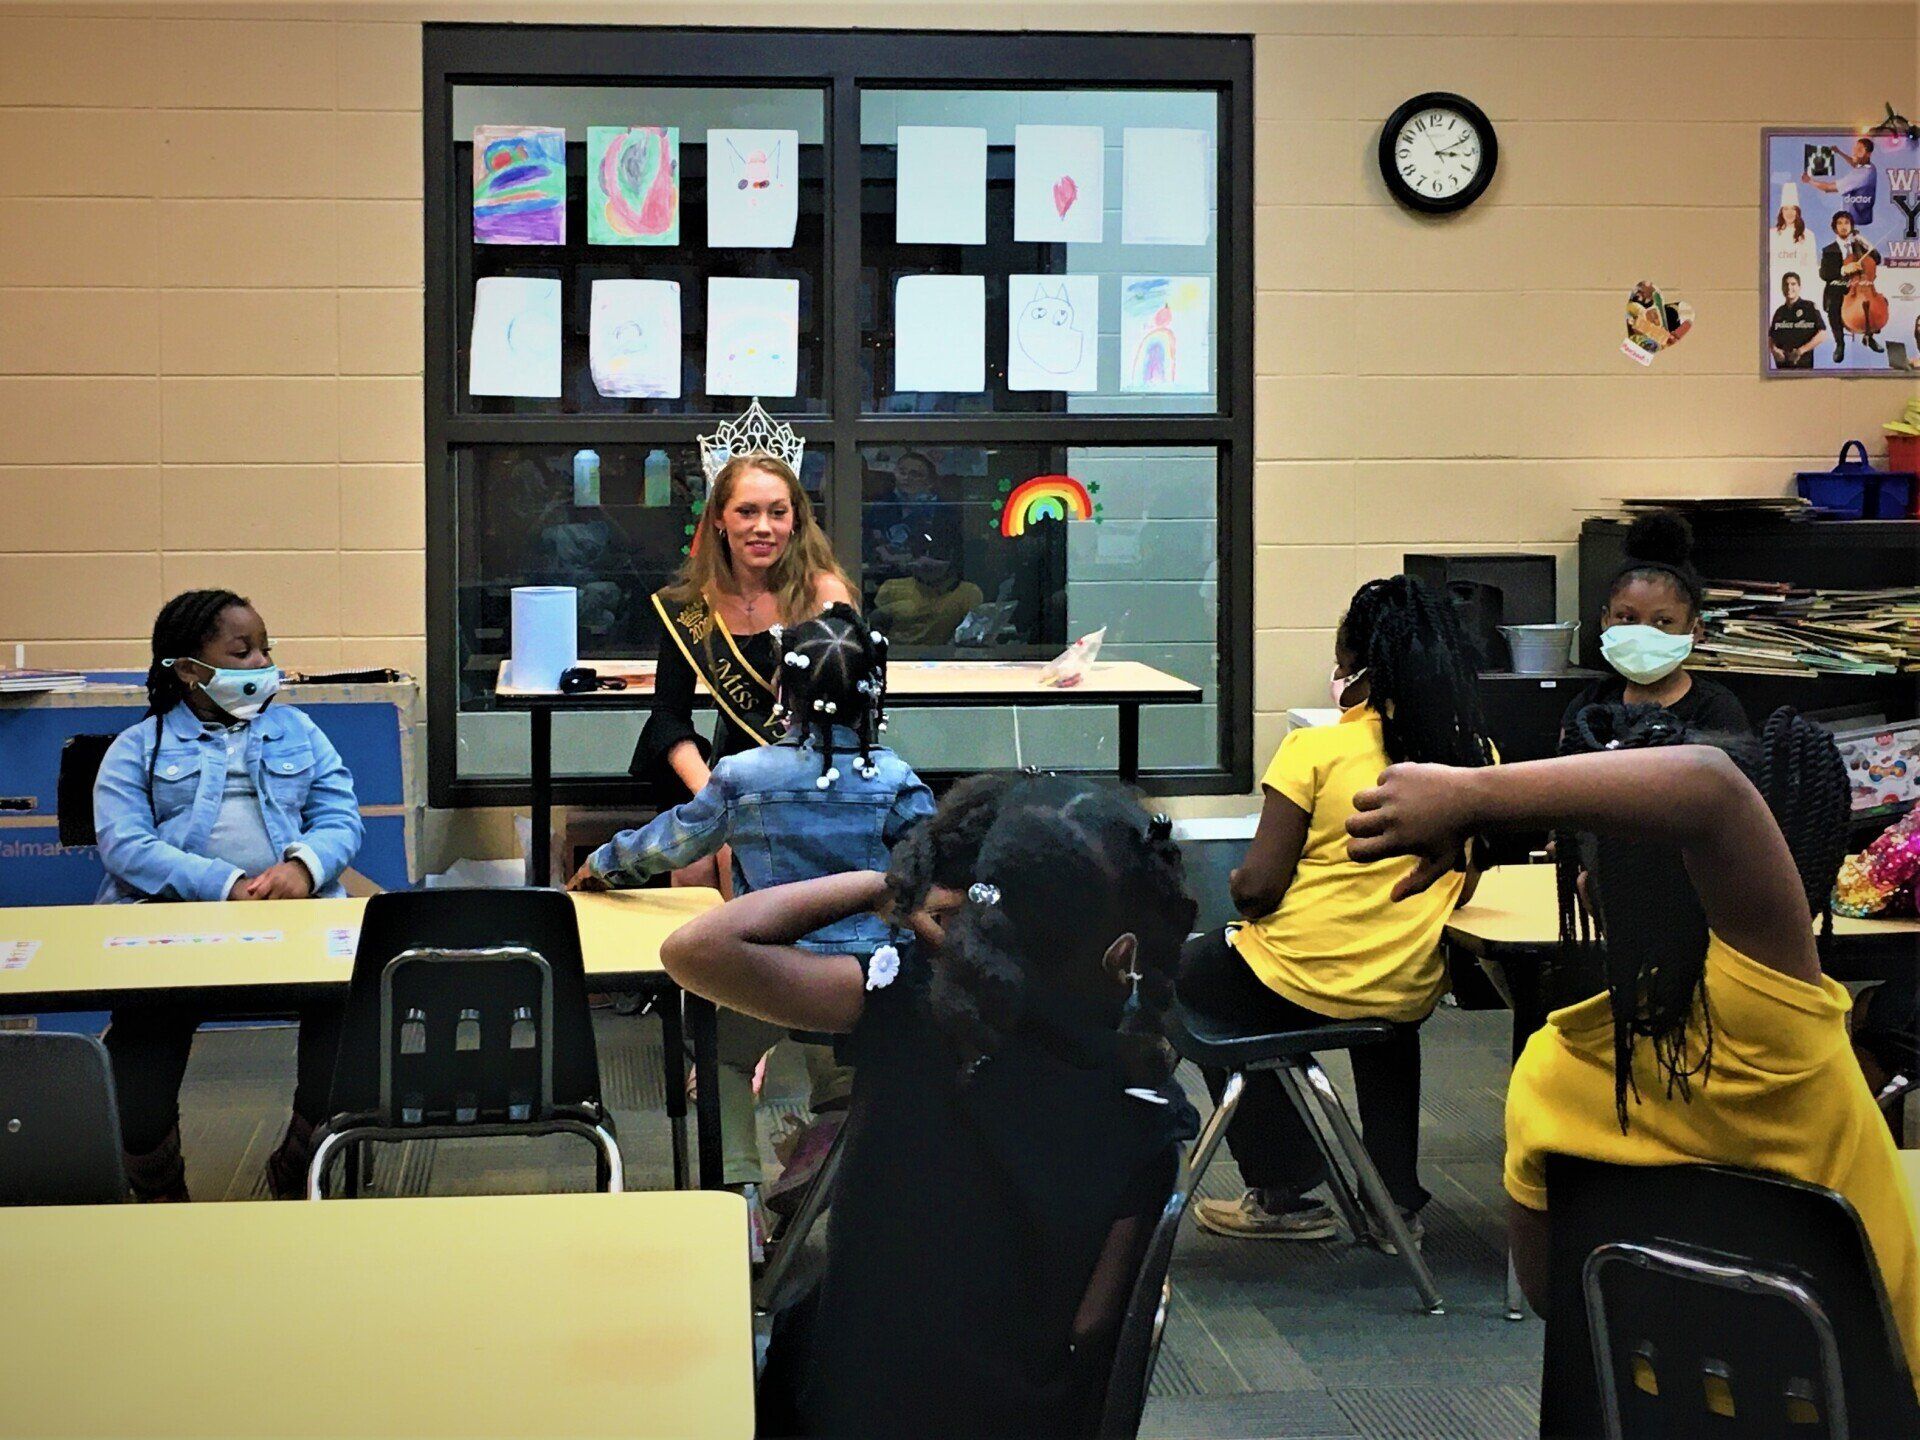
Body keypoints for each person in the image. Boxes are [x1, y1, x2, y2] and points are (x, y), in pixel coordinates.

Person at [1345, 705, 1920, 1396]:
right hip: (1870, 1409)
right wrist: (1469, 796)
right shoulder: (1774, 1022)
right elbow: (1710, 790)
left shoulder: (1553, 1068)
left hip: (1656, 1411)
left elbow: (1553, 1296)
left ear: (1588, 885)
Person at [659, 774, 1199, 1439]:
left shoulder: (915, 1008)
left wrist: (886, 887)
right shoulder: (1146, 1105)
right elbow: (1094, 1326)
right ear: (1124, 955)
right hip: (1016, 1419)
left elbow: (694, 950)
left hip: (851, 1404)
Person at [573, 606, 933, 1220]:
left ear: (779, 689)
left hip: (767, 973)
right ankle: (822, 1158)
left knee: (723, 1060)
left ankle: (737, 1204)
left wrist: (601, 867)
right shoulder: (896, 777)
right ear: (874, 693)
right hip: (858, 980)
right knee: (847, 1065)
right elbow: (932, 865)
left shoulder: (743, 775)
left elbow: (672, 840)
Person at [1182, 575, 1495, 1249]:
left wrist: (1237, 882)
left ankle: (1284, 1186)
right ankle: (1393, 1205)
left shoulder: (1315, 750)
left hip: (1300, 976)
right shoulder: (1476, 762)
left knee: (1188, 973)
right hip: (1406, 984)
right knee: (1386, 1017)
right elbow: (1465, 884)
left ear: (1355, 670)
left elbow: (1259, 890)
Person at [92, 589, 363, 1201]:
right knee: (142, 1034)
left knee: (351, 1014)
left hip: (295, 920)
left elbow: (341, 815)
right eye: (243, 651)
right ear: (190, 670)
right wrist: (223, 886)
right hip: (174, 928)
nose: (263, 662)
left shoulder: (300, 730)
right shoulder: (137, 747)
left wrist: (303, 868)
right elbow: (126, 845)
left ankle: (300, 1160)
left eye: (266, 648)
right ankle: (160, 1185)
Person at [1559, 511, 1749, 738]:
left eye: (1663, 622)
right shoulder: (1589, 706)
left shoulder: (1716, 712)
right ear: (1605, 620)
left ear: (1695, 630)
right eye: (1628, 618)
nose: (1643, 633)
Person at [870, 531, 984, 647]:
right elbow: (873, 633)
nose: (926, 561)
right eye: (920, 554)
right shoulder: (891, 588)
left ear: (952, 560)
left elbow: (972, 638)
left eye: (937, 556)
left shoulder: (968, 593)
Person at [1820, 210, 1883, 362]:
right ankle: (1840, 344)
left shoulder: (1859, 245)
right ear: (1835, 227)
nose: (1843, 226)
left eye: (1846, 223)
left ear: (1851, 226)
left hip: (1860, 288)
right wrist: (1843, 269)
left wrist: (1864, 241)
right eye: (1839, 223)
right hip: (1838, 287)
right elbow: (1824, 274)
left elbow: (1877, 259)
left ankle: (1869, 336)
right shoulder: (1829, 250)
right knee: (1834, 306)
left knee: (1872, 304)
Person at [1768, 183, 1822, 323]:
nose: (1789, 213)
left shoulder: (1808, 235)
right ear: (1781, 211)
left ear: (1798, 212)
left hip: (1801, 287)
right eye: (1786, 209)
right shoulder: (1772, 234)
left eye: (1793, 209)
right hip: (1776, 287)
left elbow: (1811, 265)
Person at [1805, 135, 1878, 229]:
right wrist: (1839, 152)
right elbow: (1854, 163)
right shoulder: (1870, 167)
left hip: (1855, 221)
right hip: (1861, 219)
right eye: (1855, 148)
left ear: (1868, 154)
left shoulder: (1860, 175)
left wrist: (1809, 181)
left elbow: (1828, 188)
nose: (1855, 152)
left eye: (1859, 150)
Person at [1768, 272, 1829, 370]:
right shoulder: (1779, 311)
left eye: (1793, 284)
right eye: (1786, 284)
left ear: (1799, 287)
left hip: (1803, 368)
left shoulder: (1809, 307)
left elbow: (1822, 334)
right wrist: (1774, 350)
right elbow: (1771, 336)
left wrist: (1800, 351)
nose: (1789, 287)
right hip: (1781, 370)